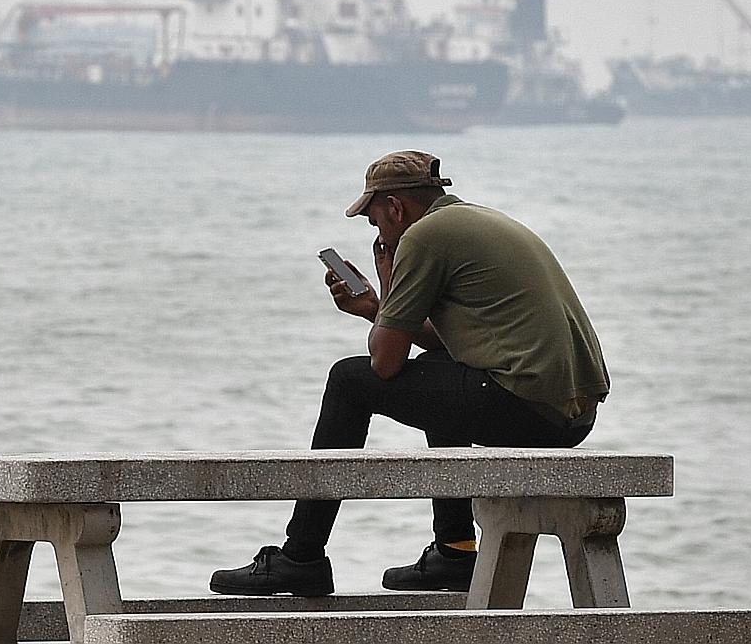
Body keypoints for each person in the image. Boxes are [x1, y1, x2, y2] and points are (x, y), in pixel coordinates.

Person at [209, 150, 610, 597]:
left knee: (348, 381)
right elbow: (445, 345)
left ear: (396, 207)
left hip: (527, 407)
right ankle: (456, 551)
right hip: (569, 417)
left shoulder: (423, 237)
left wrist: (388, 282)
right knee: (437, 370)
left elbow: (384, 364)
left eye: (376, 222)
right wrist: (377, 309)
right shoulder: (474, 221)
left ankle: (301, 557)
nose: (379, 234)